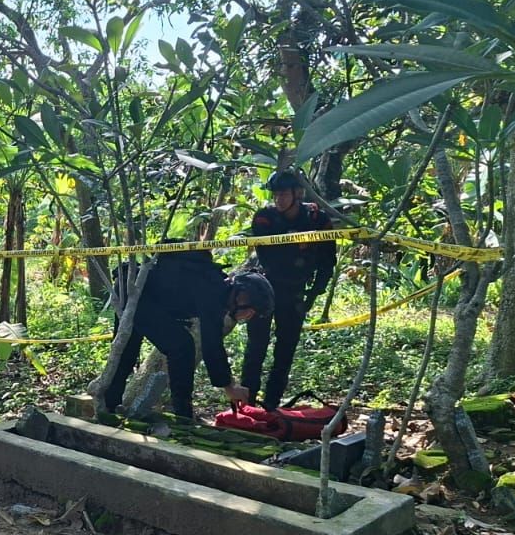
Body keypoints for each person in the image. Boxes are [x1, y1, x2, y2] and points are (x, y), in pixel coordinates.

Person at [100, 250, 272, 421]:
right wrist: (230, 387)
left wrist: (229, 384)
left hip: (133, 289)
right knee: (181, 346)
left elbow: (212, 343)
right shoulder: (213, 290)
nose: (247, 316)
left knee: (131, 352)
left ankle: (110, 406)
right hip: (134, 291)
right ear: (241, 296)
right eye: (250, 311)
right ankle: (182, 415)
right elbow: (212, 345)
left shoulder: (216, 288)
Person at [243, 168, 337, 411]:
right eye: (275, 195)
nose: (278, 199)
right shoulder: (264, 218)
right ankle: (246, 403)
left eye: (283, 194)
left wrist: (315, 291)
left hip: (295, 290)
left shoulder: (317, 219)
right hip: (265, 289)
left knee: (285, 350)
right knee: (256, 347)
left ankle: (271, 405)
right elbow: (268, 257)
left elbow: (328, 259)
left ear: (298, 194)